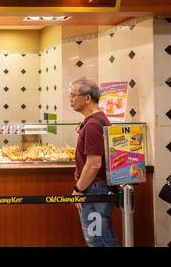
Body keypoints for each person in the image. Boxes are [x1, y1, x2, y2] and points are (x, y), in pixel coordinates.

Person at [69, 77, 118, 247]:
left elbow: (94, 164)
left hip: (94, 189)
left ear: (87, 98)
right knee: (103, 237)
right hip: (99, 188)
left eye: (73, 95)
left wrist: (78, 189)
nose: (70, 99)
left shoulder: (92, 124)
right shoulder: (97, 119)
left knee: (97, 240)